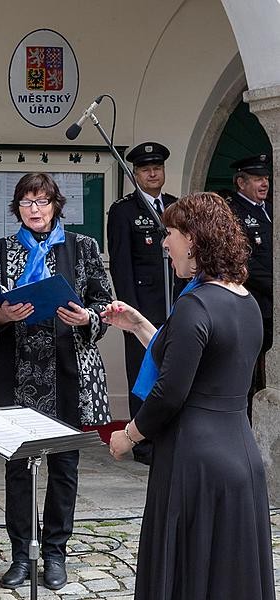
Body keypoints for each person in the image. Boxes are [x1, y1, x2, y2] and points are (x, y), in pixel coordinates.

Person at [104, 192, 275, 600]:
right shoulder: (246, 301)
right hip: (240, 458)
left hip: (195, 463)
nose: (165, 243)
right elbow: (195, 360)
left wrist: (129, 435)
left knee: (188, 578)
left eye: (171, 234)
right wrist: (139, 325)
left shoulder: (194, 305)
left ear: (194, 239)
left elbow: (170, 392)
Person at [0, 173, 111, 591]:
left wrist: (87, 317)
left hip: (67, 368)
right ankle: (21, 554)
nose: (34, 209)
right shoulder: (1, 250)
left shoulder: (83, 246)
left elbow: (105, 304)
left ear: (56, 205)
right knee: (17, 467)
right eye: (26, 202)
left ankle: (55, 554)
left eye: (42, 201)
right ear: (16, 208)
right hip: (16, 370)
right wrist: (1, 314)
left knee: (64, 466)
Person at [106, 142, 180, 464]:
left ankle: (170, 437)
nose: (153, 174)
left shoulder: (175, 207)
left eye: (157, 168)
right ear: (135, 174)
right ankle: (144, 444)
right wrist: (129, 314)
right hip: (143, 308)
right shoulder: (124, 211)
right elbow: (121, 266)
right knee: (143, 374)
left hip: (175, 305)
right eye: (146, 169)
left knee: (173, 373)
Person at [226, 153, 272, 421]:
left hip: (272, 306)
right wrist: (275, 288)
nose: (264, 183)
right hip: (253, 303)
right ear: (241, 182)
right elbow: (245, 261)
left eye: (265, 178)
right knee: (248, 373)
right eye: (257, 179)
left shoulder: (271, 210)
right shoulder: (234, 212)